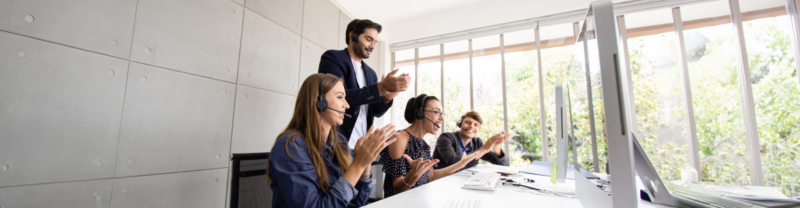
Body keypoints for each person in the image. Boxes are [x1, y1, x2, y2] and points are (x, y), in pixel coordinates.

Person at [266, 73, 397, 208]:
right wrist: (358, 164)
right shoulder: (291, 146)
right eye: (340, 97)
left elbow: (356, 202)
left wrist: (366, 164)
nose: (346, 105)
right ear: (319, 102)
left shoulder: (339, 142)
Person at [318, 19, 411, 150]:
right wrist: (381, 87)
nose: (372, 46)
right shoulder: (333, 58)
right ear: (353, 36)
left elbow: (375, 112)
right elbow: (338, 98)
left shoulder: (371, 73)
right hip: (337, 145)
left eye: (375, 42)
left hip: (362, 147)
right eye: (368, 39)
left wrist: (386, 97)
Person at [379, 94, 488, 198]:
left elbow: (431, 177)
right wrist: (414, 175)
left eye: (442, 113)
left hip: (418, 200)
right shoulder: (400, 139)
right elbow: (397, 190)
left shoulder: (424, 145)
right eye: (437, 112)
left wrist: (461, 164)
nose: (442, 119)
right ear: (420, 113)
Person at [432, 111, 512, 171]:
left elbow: (504, 165)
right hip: (443, 181)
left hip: (464, 180)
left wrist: (496, 146)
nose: (471, 126)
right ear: (460, 124)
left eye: (476, 125)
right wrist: (482, 150)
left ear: (478, 129)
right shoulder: (446, 138)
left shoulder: (477, 142)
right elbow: (452, 162)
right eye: (467, 122)